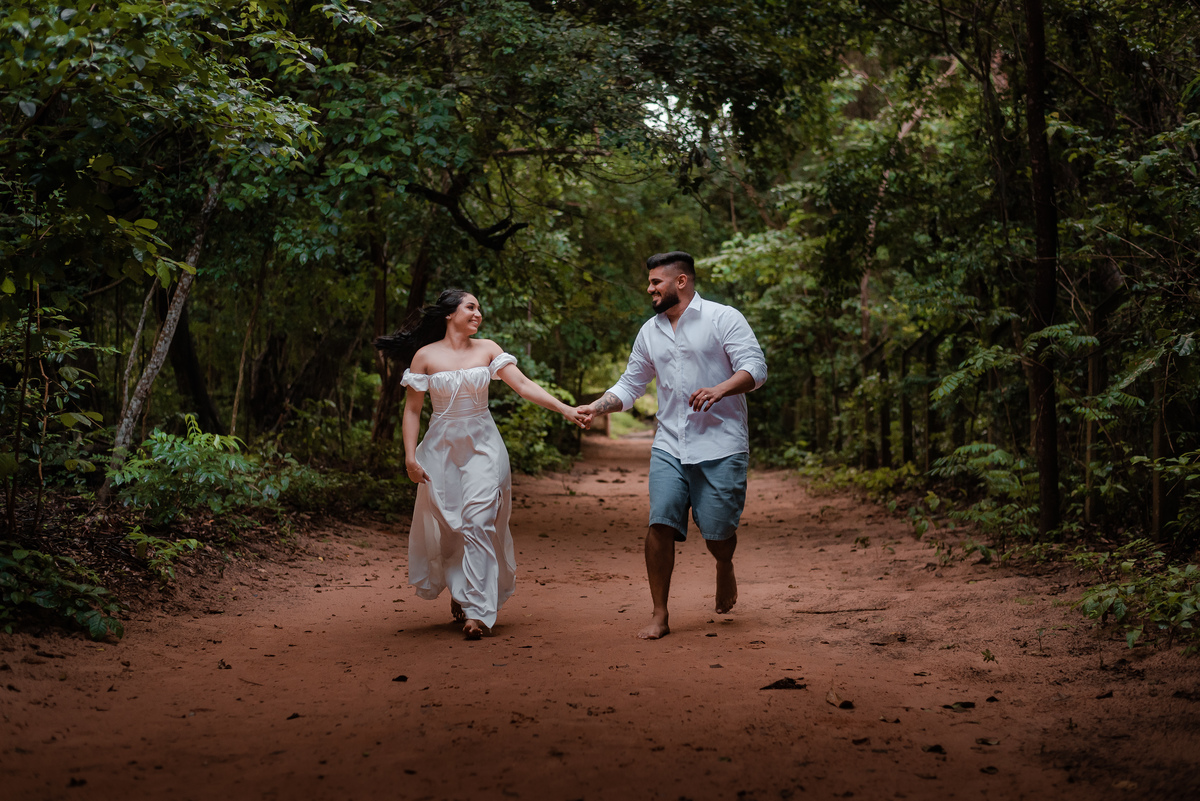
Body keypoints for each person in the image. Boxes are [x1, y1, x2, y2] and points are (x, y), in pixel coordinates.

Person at [376, 289, 589, 639]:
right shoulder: (425, 357)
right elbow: (412, 410)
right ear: (449, 314)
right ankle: (460, 591)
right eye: (470, 307)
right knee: (450, 527)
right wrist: (410, 456)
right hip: (441, 449)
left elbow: (522, 385)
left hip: (483, 447)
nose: (478, 314)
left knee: (478, 520)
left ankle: (477, 611)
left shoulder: (489, 349)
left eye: (479, 309)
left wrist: (566, 409)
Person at [578, 251, 767, 639]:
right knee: (660, 522)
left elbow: (756, 368)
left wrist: (720, 389)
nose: (649, 289)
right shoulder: (650, 331)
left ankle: (724, 565)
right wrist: (597, 408)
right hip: (669, 444)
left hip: (722, 444)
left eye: (655, 282)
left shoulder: (723, 318)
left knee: (717, 532)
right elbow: (632, 384)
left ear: (681, 282)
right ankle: (660, 614)